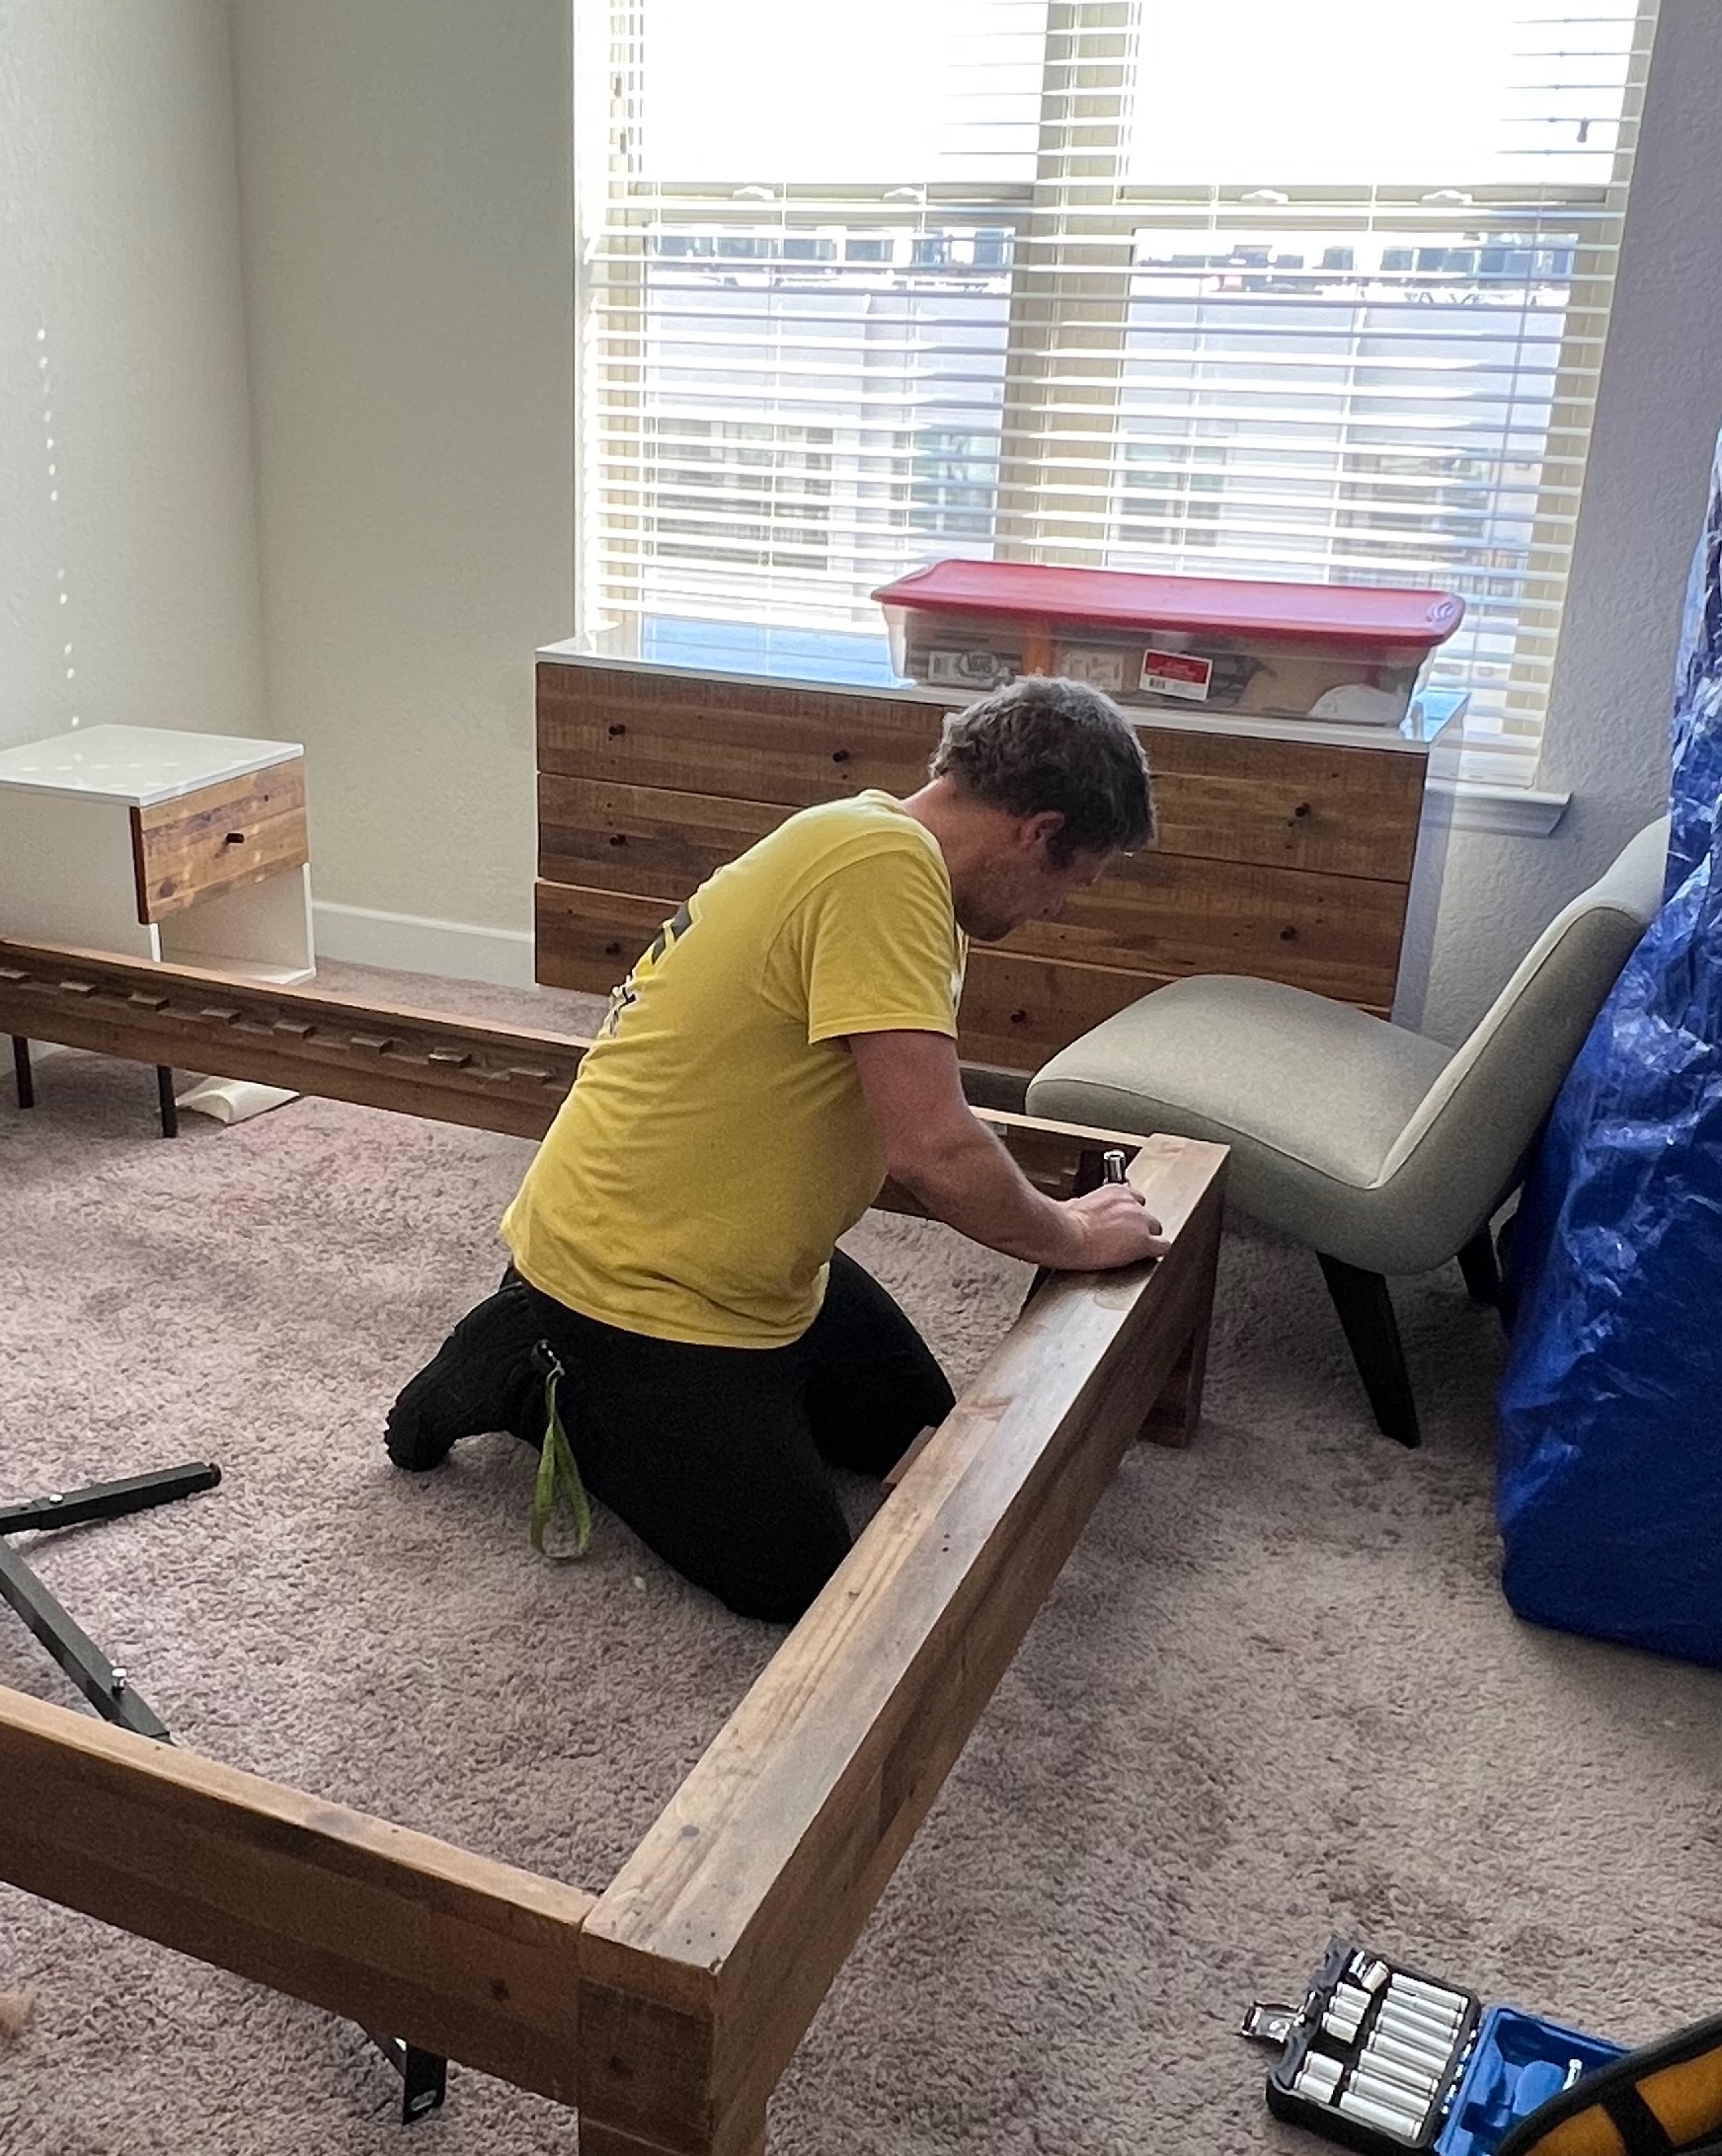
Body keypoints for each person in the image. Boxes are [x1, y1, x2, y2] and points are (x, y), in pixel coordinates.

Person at [385, 674, 1166, 1622]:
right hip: (625, 1286)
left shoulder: (874, 846)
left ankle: (684, 1392)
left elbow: (912, 1114)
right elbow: (932, 1149)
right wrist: (1073, 1235)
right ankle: (527, 1365)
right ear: (1040, 832)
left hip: (763, 1273)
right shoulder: (883, 872)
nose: (1060, 907)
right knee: (799, 1580)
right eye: (1075, 880)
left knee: (928, 1442)